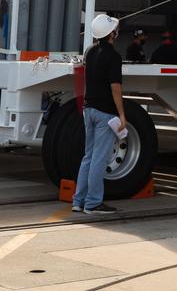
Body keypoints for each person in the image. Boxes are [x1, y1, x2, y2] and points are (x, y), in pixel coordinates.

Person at [72, 14, 128, 214]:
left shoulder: (89, 51)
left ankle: (78, 201)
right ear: (112, 33)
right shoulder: (113, 56)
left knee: (88, 156)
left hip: (89, 109)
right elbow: (115, 87)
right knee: (99, 158)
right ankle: (93, 202)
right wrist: (122, 114)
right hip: (105, 113)